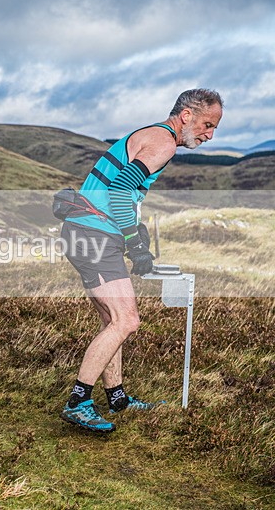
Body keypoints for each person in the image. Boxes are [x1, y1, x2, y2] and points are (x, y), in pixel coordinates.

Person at [59, 88, 223, 432]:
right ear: (187, 116)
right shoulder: (163, 143)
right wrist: (135, 245)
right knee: (127, 320)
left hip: (88, 232)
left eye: (214, 128)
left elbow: (118, 192)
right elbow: (119, 191)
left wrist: (134, 230)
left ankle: (117, 397)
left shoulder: (151, 135)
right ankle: (78, 402)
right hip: (94, 236)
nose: (209, 135)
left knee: (112, 320)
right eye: (207, 125)